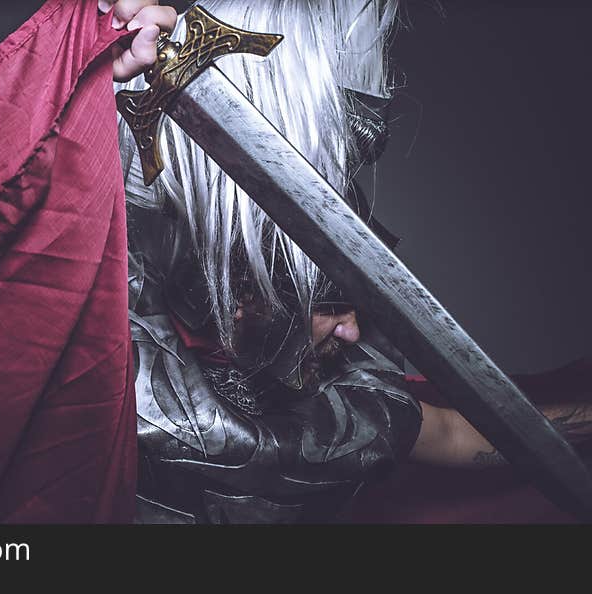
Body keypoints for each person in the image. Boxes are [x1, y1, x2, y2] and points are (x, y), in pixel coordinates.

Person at [105, 0, 592, 523]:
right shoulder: (111, 379)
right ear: (244, 285)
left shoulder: (342, 411)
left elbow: (456, 433)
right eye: (329, 302)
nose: (352, 333)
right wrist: (98, 73)